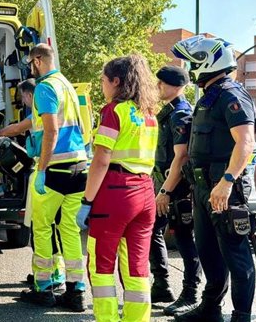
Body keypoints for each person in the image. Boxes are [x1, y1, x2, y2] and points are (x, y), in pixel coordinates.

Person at [172, 35, 256, 322]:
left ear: (207, 62)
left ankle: (241, 316)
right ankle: (210, 309)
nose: (188, 68)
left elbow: (245, 142)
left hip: (225, 190)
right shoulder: (209, 96)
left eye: (191, 62)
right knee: (208, 251)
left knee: (236, 254)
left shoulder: (232, 94)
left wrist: (228, 180)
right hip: (204, 189)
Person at [76, 54, 159, 322]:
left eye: (103, 80)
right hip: (145, 192)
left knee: (101, 266)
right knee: (136, 267)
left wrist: (87, 201)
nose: (102, 86)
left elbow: (101, 160)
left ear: (116, 81)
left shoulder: (113, 111)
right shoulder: (149, 114)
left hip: (116, 192)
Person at [16, 44, 88, 312]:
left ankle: (44, 289)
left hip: (55, 169)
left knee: (43, 228)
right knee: (69, 230)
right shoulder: (66, 84)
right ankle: (76, 291)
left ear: (37, 61)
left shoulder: (44, 88)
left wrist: (42, 169)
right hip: (79, 165)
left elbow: (51, 131)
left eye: (29, 62)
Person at [149, 66, 202, 316]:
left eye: (161, 83)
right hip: (163, 186)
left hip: (176, 190)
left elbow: (180, 158)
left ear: (176, 86)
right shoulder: (169, 113)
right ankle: (161, 284)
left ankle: (190, 293)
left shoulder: (181, 114)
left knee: (183, 239)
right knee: (152, 232)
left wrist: (166, 192)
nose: (157, 87)